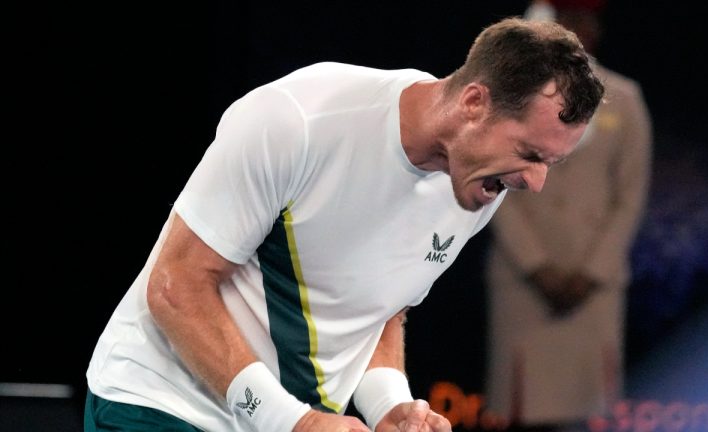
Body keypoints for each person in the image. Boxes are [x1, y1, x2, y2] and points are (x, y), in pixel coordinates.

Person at [84, 16, 604, 432]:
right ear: (474, 103)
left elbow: (379, 311)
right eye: (530, 154)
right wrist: (292, 419)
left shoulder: (479, 178)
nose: (535, 182)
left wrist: (390, 409)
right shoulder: (298, 120)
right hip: (160, 405)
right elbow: (176, 286)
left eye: (549, 164)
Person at [481, 2, 652, 431]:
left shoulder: (625, 100)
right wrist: (537, 267)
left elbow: (629, 197)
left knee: (586, 413)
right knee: (523, 411)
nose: (578, 31)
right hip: (527, 283)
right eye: (567, 21)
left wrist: (591, 271)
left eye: (585, 21)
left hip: (590, 286)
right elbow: (493, 185)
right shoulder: (508, 101)